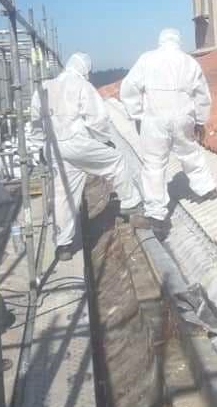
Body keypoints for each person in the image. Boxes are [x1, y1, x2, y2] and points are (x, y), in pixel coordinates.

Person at [31, 53, 142, 262]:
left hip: (53, 147)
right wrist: (103, 140)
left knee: (63, 194)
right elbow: (97, 119)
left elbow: (35, 122)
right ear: (85, 69)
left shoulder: (43, 87)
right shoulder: (81, 86)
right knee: (116, 161)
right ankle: (130, 202)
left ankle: (63, 245)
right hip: (77, 143)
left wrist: (38, 146)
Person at [120, 28, 217, 232]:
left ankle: (157, 215)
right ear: (178, 41)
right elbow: (202, 94)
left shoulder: (147, 59)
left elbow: (129, 88)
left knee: (154, 164)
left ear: (161, 41)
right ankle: (207, 188)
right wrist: (200, 120)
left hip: (154, 118)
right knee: (189, 151)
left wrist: (136, 114)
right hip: (183, 116)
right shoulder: (189, 61)